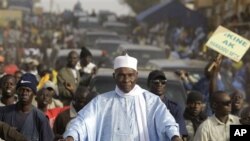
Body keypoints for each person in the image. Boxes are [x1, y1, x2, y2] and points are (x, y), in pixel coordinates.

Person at [63, 54, 182, 141]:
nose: (126, 80)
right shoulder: (101, 102)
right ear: (114, 76)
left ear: (136, 75)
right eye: (121, 75)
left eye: (130, 75)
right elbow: (82, 122)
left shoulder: (151, 101)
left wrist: (175, 136)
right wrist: (71, 136)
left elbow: (167, 122)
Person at [0, 73, 54, 141]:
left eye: (28, 90)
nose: (24, 93)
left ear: (34, 94)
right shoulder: (3, 112)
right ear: (17, 92)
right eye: (22, 90)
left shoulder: (40, 118)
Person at [147, 70, 188, 139]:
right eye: (156, 82)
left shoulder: (174, 108)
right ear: (149, 84)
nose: (159, 84)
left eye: (163, 82)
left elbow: (179, 135)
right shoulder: (142, 105)